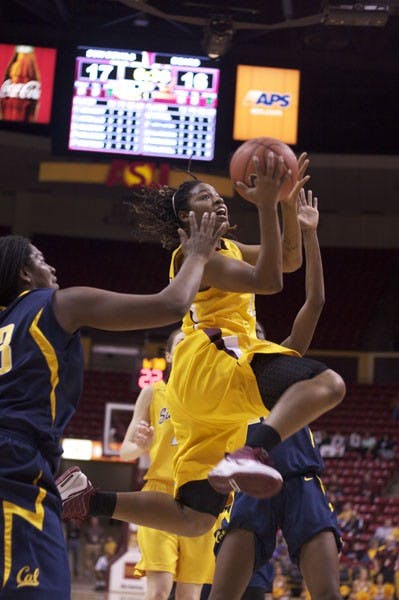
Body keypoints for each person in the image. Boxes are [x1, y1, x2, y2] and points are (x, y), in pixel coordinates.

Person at [58, 152, 345, 539]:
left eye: (218, 194)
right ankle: (253, 451)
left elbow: (289, 261)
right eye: (206, 197)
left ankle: (88, 499)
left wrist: (288, 208)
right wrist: (265, 206)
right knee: (326, 384)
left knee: (194, 518)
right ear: (186, 218)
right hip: (215, 363)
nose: (219, 199)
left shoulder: (227, 248)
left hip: (200, 390)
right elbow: (270, 281)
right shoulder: (197, 255)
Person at [0, 214, 224, 598]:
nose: (50, 266)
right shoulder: (57, 304)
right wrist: (198, 256)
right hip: (15, 470)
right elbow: (172, 304)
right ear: (23, 273)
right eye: (39, 259)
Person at [206, 189, 342, 600]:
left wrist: (309, 234)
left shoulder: (280, 365)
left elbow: (315, 301)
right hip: (249, 489)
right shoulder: (224, 379)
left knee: (328, 593)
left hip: (301, 481)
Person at [119, 328, 216, 600]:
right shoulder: (153, 393)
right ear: (170, 355)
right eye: (182, 345)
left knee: (189, 595)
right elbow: (126, 452)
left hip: (201, 497)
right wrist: (141, 444)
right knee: (159, 593)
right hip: (159, 493)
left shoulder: (213, 396)